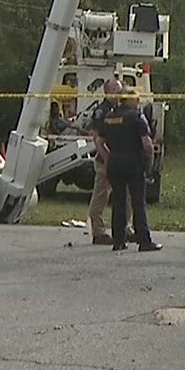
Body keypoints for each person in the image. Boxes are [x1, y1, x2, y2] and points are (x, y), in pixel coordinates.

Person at [93, 81, 161, 252]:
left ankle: (118, 241)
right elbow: (146, 144)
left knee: (118, 202)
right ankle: (144, 240)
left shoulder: (109, 117)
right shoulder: (136, 117)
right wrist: (150, 160)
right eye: (137, 100)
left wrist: (108, 158)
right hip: (133, 164)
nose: (139, 104)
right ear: (132, 101)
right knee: (138, 202)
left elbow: (99, 142)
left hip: (115, 164)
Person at [82, 79, 123, 245]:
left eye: (120, 91)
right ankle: (98, 232)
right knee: (101, 195)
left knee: (123, 195)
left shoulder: (120, 109)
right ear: (107, 92)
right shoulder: (101, 111)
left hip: (119, 157)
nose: (119, 94)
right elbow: (98, 139)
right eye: (116, 91)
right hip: (104, 158)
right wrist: (107, 160)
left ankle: (124, 227)